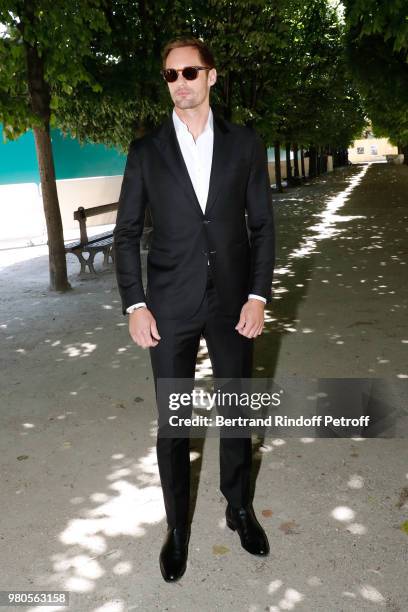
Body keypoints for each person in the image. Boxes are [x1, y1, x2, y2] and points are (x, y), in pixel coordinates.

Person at [113, 36, 275, 582]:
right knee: (174, 422)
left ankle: (238, 507)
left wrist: (258, 295)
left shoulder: (245, 144)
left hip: (233, 302)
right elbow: (127, 232)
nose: (179, 82)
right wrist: (135, 303)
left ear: (211, 75)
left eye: (189, 72)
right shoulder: (146, 150)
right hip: (170, 305)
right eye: (169, 75)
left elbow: (262, 227)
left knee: (236, 411)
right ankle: (177, 526)